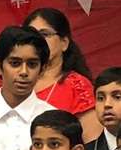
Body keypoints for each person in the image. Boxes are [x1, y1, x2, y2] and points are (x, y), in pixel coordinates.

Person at [23, 8, 99, 141]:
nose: (37, 41)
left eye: (45, 34)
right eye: (31, 36)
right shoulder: (18, 83)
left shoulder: (78, 86)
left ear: (64, 43)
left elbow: (91, 143)